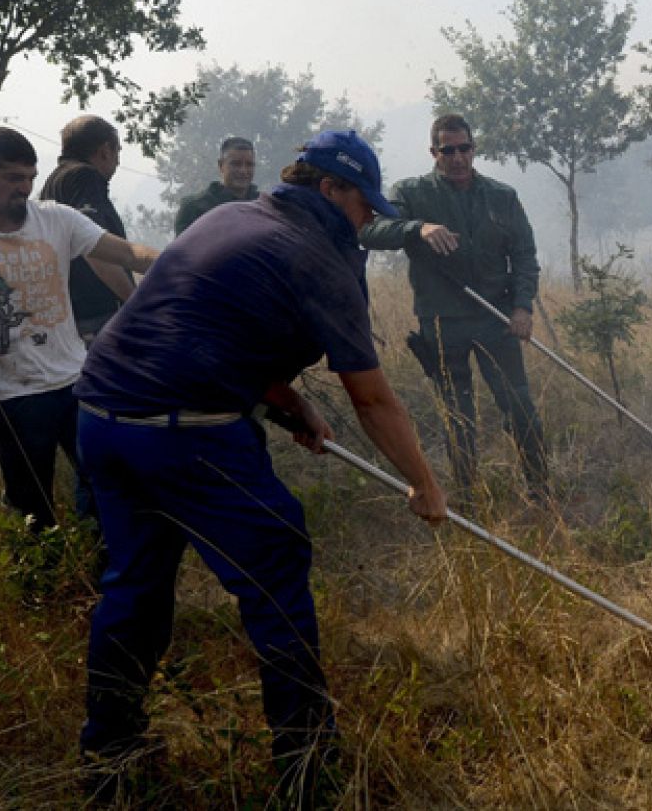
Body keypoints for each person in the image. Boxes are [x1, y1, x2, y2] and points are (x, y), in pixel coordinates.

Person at [73, 129, 447, 799]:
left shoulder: (230, 218)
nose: (367, 220)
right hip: (190, 435)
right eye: (364, 204)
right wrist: (424, 483)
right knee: (275, 574)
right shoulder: (319, 257)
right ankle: (307, 766)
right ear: (329, 188)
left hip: (102, 418)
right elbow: (371, 398)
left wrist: (288, 402)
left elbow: (207, 326)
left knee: (135, 585)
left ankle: (109, 751)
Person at [0, 127, 159, 532]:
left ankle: (100, 563)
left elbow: (128, 253)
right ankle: (42, 569)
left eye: (30, 178)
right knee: (31, 508)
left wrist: (189, 259)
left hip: (77, 382)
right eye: (13, 178)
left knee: (106, 487)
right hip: (8, 395)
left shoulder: (56, 219)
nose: (24, 188)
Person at [360, 113, 548, 498]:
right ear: (434, 153)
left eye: (464, 149)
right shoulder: (412, 193)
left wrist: (523, 308)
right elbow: (370, 231)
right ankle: (468, 500)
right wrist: (417, 228)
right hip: (442, 323)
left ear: (474, 149)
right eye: (448, 151)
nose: (458, 158)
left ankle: (541, 493)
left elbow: (524, 256)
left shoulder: (502, 196)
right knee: (458, 418)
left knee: (520, 407)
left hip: (497, 319)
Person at [39, 115, 133, 342]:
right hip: (95, 316)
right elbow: (96, 250)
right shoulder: (84, 177)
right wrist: (136, 301)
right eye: (118, 151)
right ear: (105, 151)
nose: (118, 161)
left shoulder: (55, 181)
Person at [173, 136, 258, 235]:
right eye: (236, 164)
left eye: (249, 165)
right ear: (221, 165)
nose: (243, 171)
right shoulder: (193, 208)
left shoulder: (264, 207)